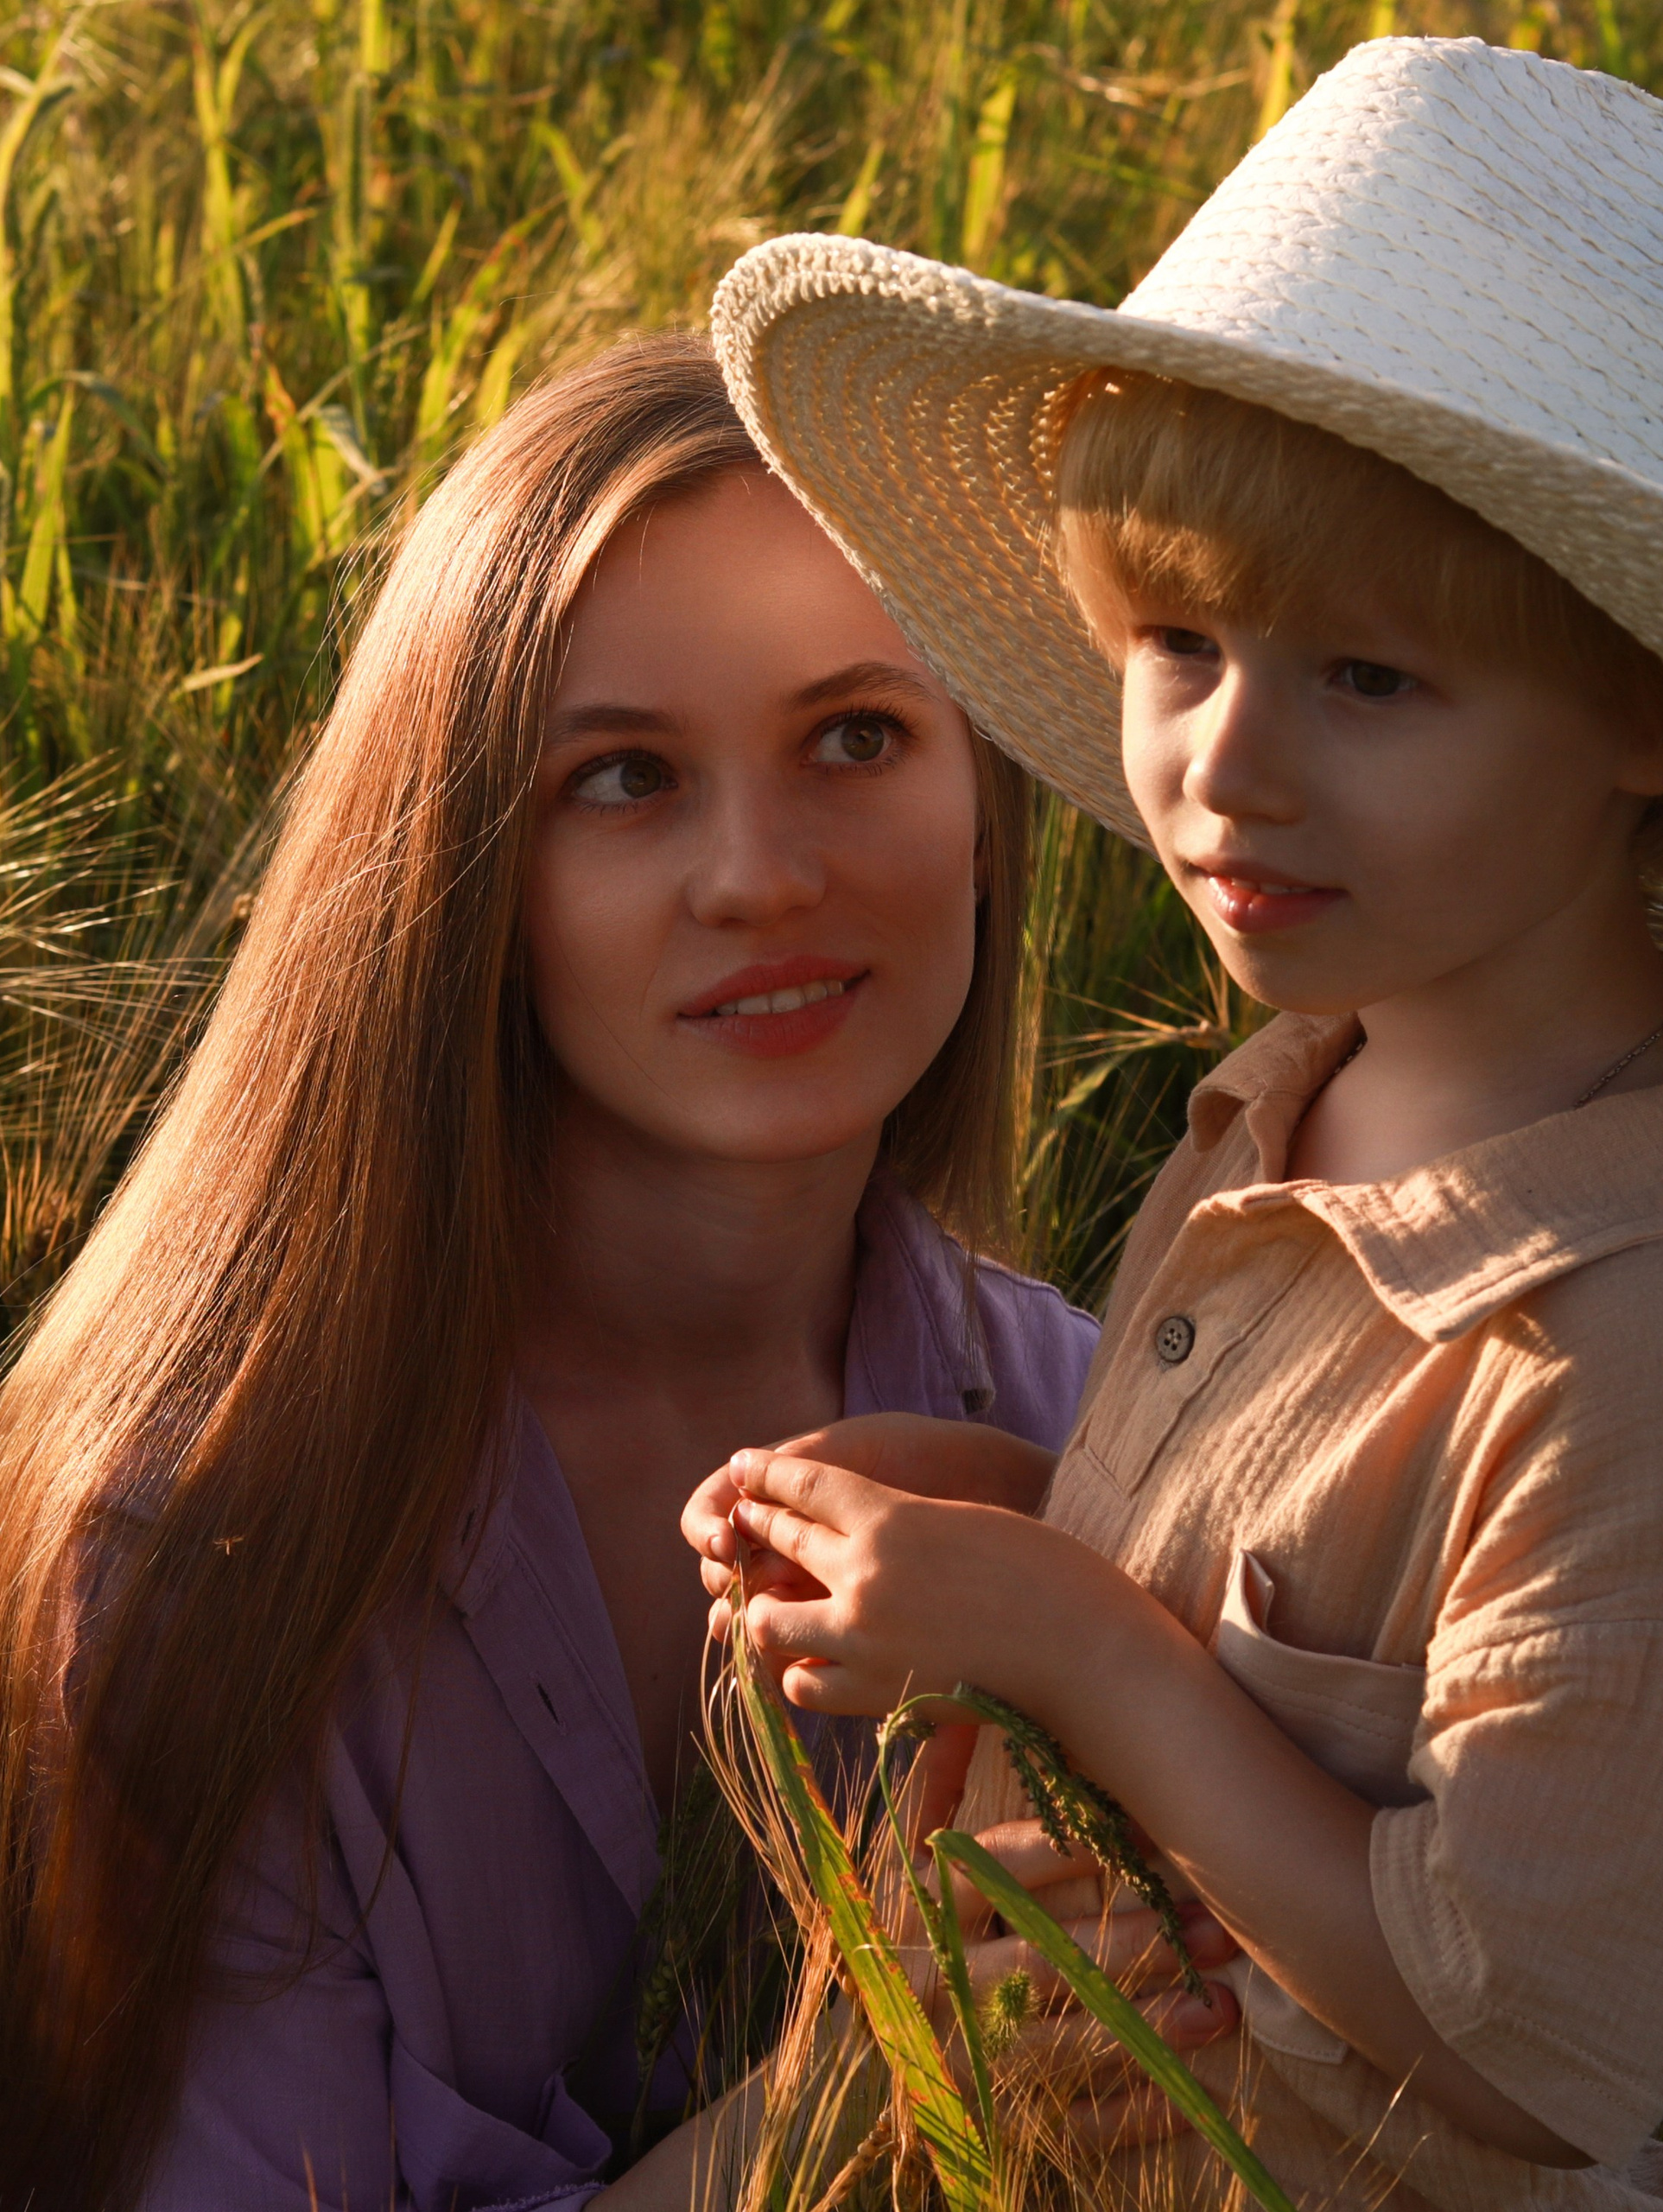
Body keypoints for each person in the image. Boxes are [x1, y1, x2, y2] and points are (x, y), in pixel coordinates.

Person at [688, 36, 1663, 2210]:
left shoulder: (1632, 1342)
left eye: (1370, 679)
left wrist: (1066, 1636)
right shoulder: (1291, 1093)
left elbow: (1522, 2036)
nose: (1223, 768)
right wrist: (1015, 1517)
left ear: (1655, 714)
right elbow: (1307, 1633)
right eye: (1179, 639)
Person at [0, 333, 1239, 2212]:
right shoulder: (198, 1548)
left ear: (984, 809)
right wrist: (862, 2095)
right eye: (624, 778)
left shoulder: (1110, 1430)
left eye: (854, 735)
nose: (757, 876)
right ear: (464, 873)